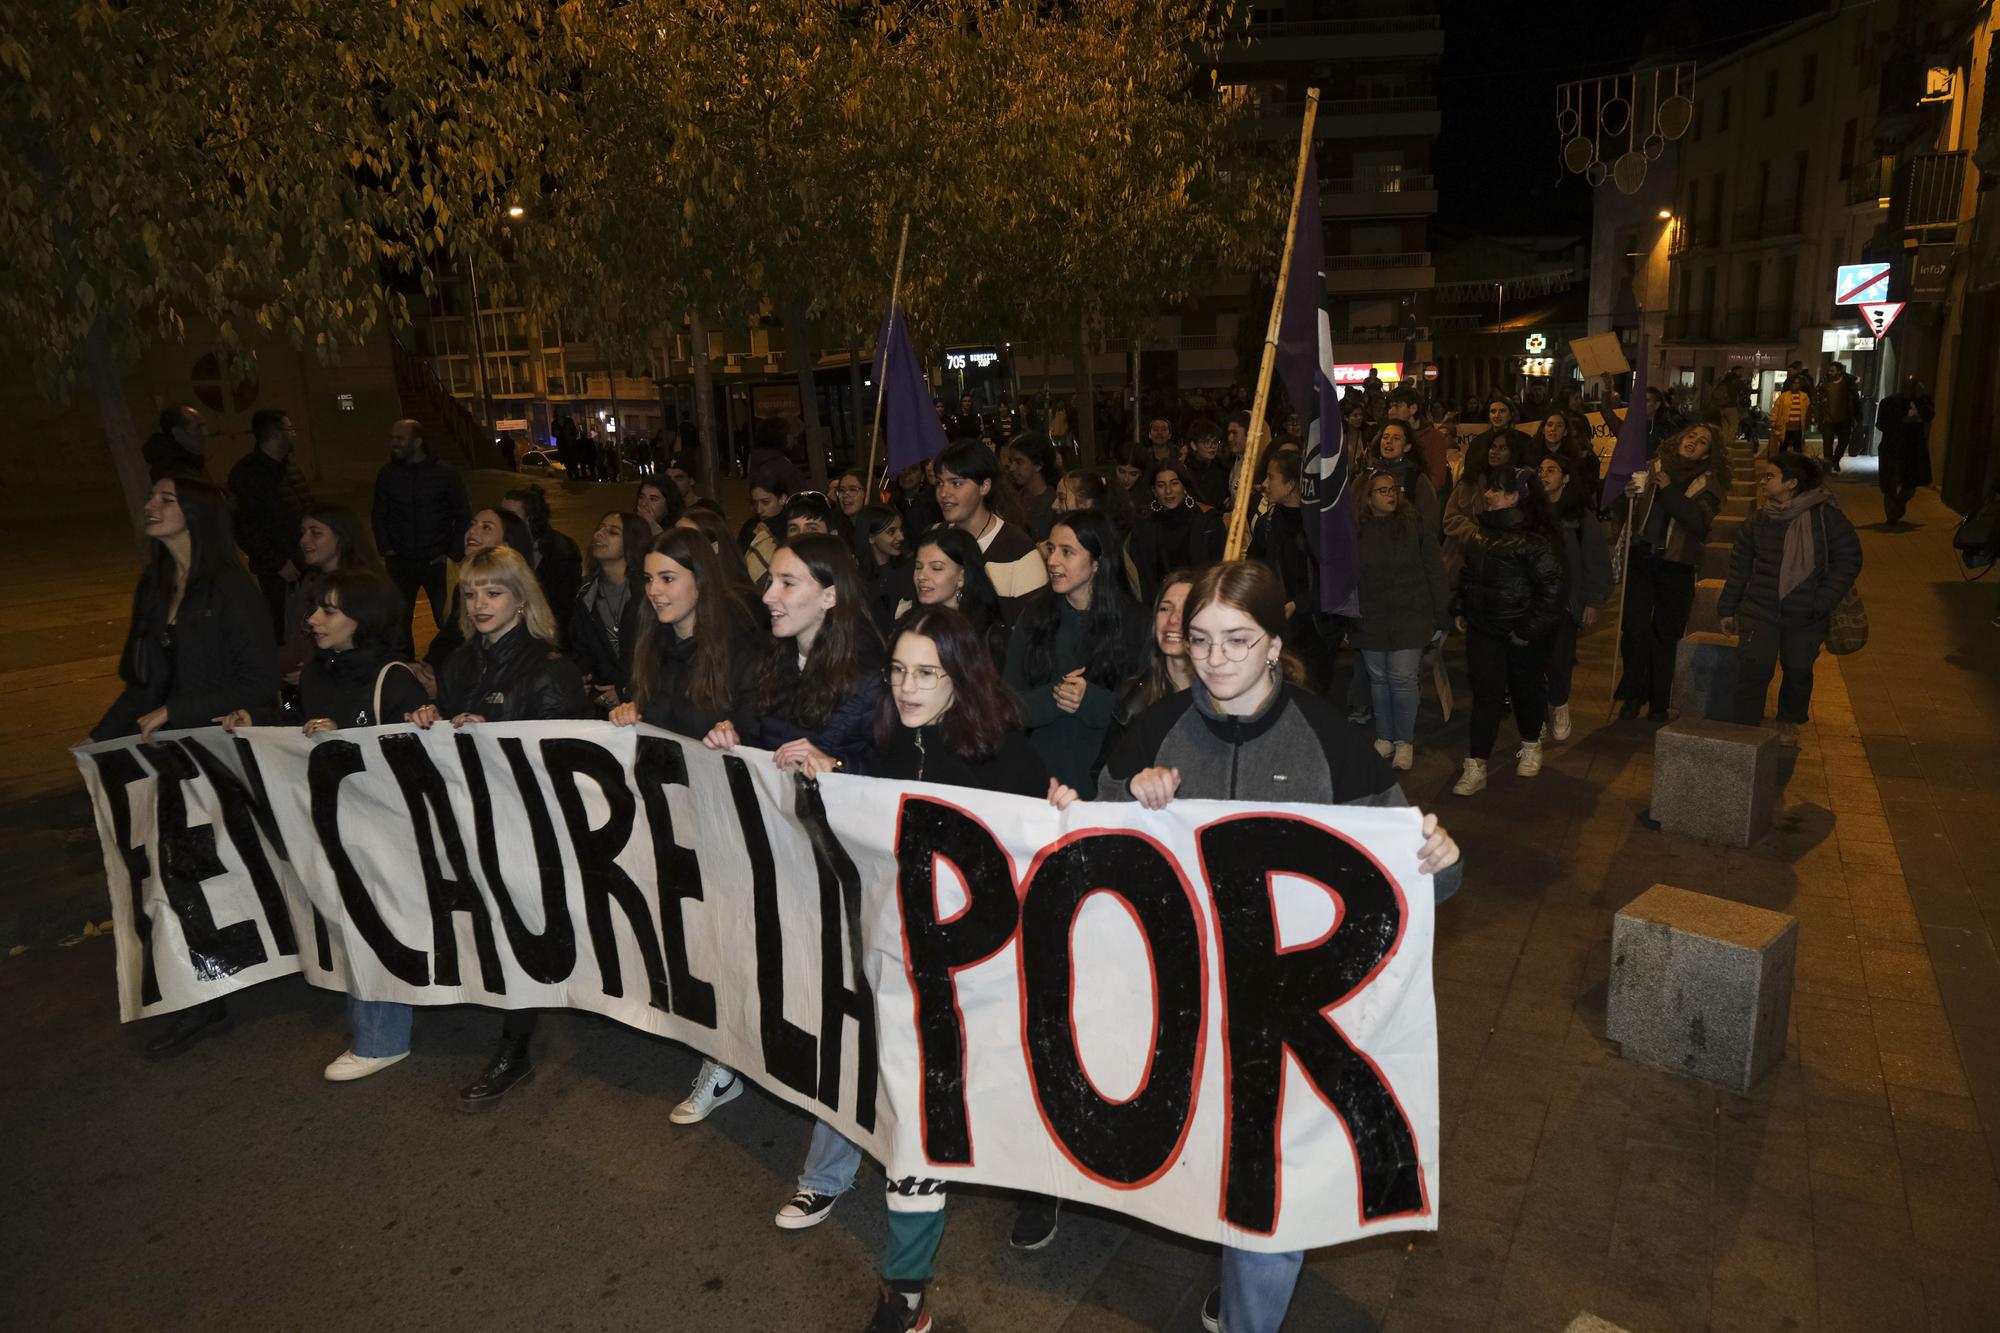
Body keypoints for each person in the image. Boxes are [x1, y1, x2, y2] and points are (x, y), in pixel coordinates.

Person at [1082, 559, 1462, 1333]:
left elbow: (1409, 870)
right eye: (1199, 641)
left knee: (1270, 1195)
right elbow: (1086, 843)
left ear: (1274, 642)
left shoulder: (1329, 737)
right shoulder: (1154, 727)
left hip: (1288, 1015)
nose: (1215, 659)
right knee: (1210, 1163)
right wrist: (1129, 798)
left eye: (1237, 640)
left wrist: (1443, 861)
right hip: (1182, 998)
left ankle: (1250, 1311)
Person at [854, 605, 1056, 1333]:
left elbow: (1046, 867)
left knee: (1006, 1095)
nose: (908, 687)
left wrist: (1059, 813)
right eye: (899, 670)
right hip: (912, 977)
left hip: (995, 977)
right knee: (918, 1124)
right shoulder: (882, 744)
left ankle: (1042, 1180)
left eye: (927, 674)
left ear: (962, 679)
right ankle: (903, 1296)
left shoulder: (1006, 757)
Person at [700, 536, 883, 1209]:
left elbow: (905, 776)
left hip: (849, 874)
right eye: (770, 582)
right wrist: (730, 738)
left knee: (845, 1019)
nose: (768, 596)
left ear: (831, 595)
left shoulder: (872, 673)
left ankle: (827, 1174)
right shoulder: (772, 661)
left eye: (786, 583)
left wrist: (838, 770)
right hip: (787, 864)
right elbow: (756, 735)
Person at [93, 474, 279, 1056]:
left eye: (165, 499)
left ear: (195, 514)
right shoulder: (153, 585)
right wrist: (101, 740)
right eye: (151, 496)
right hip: (160, 757)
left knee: (193, 878)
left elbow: (259, 685)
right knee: (166, 879)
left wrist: (181, 709)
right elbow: (141, 680)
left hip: (214, 756)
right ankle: (201, 996)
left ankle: (214, 989)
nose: (150, 506)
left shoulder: (232, 588)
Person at [409, 546, 589, 1108]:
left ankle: (515, 1048)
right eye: (470, 593)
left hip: (528, 824)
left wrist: (497, 731)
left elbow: (565, 760)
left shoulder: (548, 667)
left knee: (520, 928)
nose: (480, 603)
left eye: (493, 592)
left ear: (520, 598)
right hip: (474, 816)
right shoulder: (460, 663)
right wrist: (429, 719)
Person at [275, 568, 428, 1081]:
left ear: (361, 620)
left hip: (390, 833)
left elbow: (417, 770)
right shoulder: (318, 675)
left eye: (329, 610)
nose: (314, 619)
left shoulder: (393, 679)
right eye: (315, 608)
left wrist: (347, 743)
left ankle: (381, 1038)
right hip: (340, 824)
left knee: (370, 923)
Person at [1719, 454, 1862, 743]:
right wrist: (1727, 608)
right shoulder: (1759, 520)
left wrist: (1820, 601)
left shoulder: (1826, 518)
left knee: (1798, 670)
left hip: (1806, 614)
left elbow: (1848, 561)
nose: (1763, 481)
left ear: (1792, 483)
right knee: (1753, 668)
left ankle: (1788, 718)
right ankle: (1745, 727)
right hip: (1760, 609)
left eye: (1770, 476)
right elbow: (1740, 567)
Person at [1004, 511, 1146, 797]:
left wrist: (1091, 701)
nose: (1053, 561)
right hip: (1039, 782)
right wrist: (1056, 696)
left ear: (1096, 562)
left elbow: (1147, 715)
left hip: (1109, 786)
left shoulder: (1136, 623)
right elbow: (1007, 705)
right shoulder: (1034, 617)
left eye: (1067, 552)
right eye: (1051, 549)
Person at [1452, 467, 1567, 796]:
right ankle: (1476, 764)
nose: (1489, 495)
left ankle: (1531, 743)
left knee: (1526, 692)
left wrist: (1527, 630)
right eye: (1490, 489)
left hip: (1522, 635)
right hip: (1484, 630)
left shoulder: (1537, 540)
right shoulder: (1478, 535)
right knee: (1485, 696)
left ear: (1518, 497)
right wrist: (1461, 608)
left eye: (1499, 491)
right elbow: (1468, 576)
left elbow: (1553, 590)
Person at [1615, 422, 1725, 718]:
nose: (1694, 442)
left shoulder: (1708, 482)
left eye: (1702, 442)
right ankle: (1632, 695)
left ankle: (1659, 703)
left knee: (1666, 635)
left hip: (1677, 565)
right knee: (1635, 631)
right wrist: (1629, 495)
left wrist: (1669, 491)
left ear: (1707, 454)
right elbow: (1629, 514)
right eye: (1691, 435)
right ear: (1679, 437)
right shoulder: (1653, 467)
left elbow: (1699, 523)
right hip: (1643, 559)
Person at [1353, 469, 1451, 772]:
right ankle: (1385, 737)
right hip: (1371, 617)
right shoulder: (1355, 531)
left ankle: (1404, 741)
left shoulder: (1414, 526)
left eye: (1393, 488)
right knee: (1380, 681)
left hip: (1410, 614)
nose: (1391, 494)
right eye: (1382, 490)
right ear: (1367, 499)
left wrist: (1441, 615)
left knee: (1403, 679)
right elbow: (1348, 579)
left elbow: (1435, 571)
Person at [373, 418, 471, 656]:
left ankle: (453, 670)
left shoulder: (445, 473)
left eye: (400, 438)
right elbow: (378, 514)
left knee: (448, 620)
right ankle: (405, 673)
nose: (393, 443)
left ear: (417, 442)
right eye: (392, 438)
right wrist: (387, 549)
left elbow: (463, 514)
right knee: (398, 625)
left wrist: (451, 554)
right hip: (400, 564)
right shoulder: (388, 474)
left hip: (435, 563)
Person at [1537, 453, 1613, 742]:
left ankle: (1559, 704)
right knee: (1534, 663)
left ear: (1566, 477)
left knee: (1559, 660)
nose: (1544, 474)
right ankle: (1537, 715)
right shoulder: (1531, 512)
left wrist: (1593, 600)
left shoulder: (1579, 517)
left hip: (1565, 602)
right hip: (1534, 601)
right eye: (1541, 469)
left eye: (1551, 469)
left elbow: (1596, 560)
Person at [932, 440, 1047, 618]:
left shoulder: (1018, 551)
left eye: (956, 483)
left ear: (984, 486)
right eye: (939, 483)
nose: (944, 494)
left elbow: (1031, 632)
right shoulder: (933, 539)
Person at [227, 407, 315, 638]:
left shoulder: (290, 468)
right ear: (276, 434)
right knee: (285, 629)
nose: (294, 434)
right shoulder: (247, 474)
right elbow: (244, 527)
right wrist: (278, 562)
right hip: (280, 573)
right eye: (290, 429)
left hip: (306, 564)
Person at [426, 505, 534, 675]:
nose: (472, 531)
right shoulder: (461, 586)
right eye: (472, 525)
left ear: (506, 544)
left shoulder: (524, 590)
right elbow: (450, 637)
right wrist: (428, 667)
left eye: (486, 527)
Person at [280, 503, 381, 681]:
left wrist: (317, 675)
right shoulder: (311, 580)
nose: (304, 540)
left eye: (316, 533)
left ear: (341, 537)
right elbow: (297, 638)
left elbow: (372, 649)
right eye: (303, 532)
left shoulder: (362, 587)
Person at [569, 510, 649, 709]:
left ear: (631, 542)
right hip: (604, 701)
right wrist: (590, 686)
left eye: (612, 532)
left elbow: (652, 651)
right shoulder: (586, 595)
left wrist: (624, 690)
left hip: (645, 698)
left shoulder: (647, 592)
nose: (599, 534)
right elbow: (581, 649)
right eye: (599, 529)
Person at [902, 525, 1010, 666]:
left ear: (962, 577)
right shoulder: (911, 623)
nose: (921, 576)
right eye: (918, 567)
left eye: (936, 568)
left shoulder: (987, 636)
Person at [1130, 459, 1224, 605]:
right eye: (1161, 485)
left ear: (1184, 486)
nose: (1168, 491)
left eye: (1174, 483)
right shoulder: (1144, 526)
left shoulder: (1208, 521)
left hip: (1202, 600)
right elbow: (1143, 578)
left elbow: (1219, 568)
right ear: (1154, 491)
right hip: (1159, 603)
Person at [501, 485, 583, 641]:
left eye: (510, 517)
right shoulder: (504, 546)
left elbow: (561, 613)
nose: (503, 523)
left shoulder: (560, 555)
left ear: (530, 520)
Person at [1875, 375, 1934, 523]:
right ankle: (1892, 515)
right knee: (1890, 484)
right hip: (1893, 448)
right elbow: (1882, 424)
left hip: (1913, 449)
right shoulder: (1889, 402)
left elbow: (1929, 415)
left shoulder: (1922, 402)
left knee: (1910, 484)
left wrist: (1921, 400)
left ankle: (1898, 506)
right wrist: (1901, 422)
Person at [1371, 419, 1442, 534]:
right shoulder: (1366, 476)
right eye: (1385, 437)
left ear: (1407, 447)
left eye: (1396, 438)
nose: (1389, 441)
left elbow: (1430, 524)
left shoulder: (1417, 479)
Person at [853, 503, 911, 634]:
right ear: (871, 537)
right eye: (891, 532)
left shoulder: (909, 569)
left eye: (900, 530)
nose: (900, 537)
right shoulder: (856, 578)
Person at [1000, 433, 1062, 541]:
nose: (1012, 468)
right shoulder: (1014, 499)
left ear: (1038, 465)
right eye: (1011, 462)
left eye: (1019, 462)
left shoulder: (1054, 503)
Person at [739, 463, 794, 583]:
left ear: (782, 499)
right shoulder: (750, 526)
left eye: (765, 502)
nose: (759, 510)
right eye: (755, 503)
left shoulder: (793, 526)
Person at [1534, 410, 1600, 507]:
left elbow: (1586, 488)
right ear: (1543, 429)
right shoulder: (1530, 454)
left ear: (1565, 432)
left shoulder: (1576, 457)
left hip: (1570, 506)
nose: (1553, 429)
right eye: (1549, 425)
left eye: (1559, 426)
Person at [142, 404, 209, 479]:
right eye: (198, 427)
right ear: (178, 433)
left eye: (204, 426)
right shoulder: (175, 472)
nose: (206, 432)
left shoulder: (190, 464)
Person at [1179, 419, 1233, 511]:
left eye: (1216, 441)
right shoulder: (1184, 470)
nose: (1213, 446)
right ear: (1193, 445)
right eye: (1207, 442)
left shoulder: (1222, 469)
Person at [1818, 361, 1859, 473]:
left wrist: (1857, 417)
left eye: (1833, 371)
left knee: (1843, 442)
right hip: (1828, 419)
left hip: (1844, 419)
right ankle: (1827, 466)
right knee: (1827, 443)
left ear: (1839, 371)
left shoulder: (1848, 384)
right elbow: (1818, 401)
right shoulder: (1825, 384)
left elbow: (1855, 401)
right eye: (1829, 370)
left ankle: (1836, 460)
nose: (1830, 373)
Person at [1768, 373, 1812, 459]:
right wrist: (1773, 421)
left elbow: (1808, 411)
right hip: (1785, 426)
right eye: (1794, 383)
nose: (1795, 385)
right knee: (1783, 446)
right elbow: (1775, 409)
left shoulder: (1804, 396)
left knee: (1797, 448)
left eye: (1798, 383)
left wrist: (1808, 422)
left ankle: (1796, 464)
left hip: (1798, 427)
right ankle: (1782, 462)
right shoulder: (1784, 396)